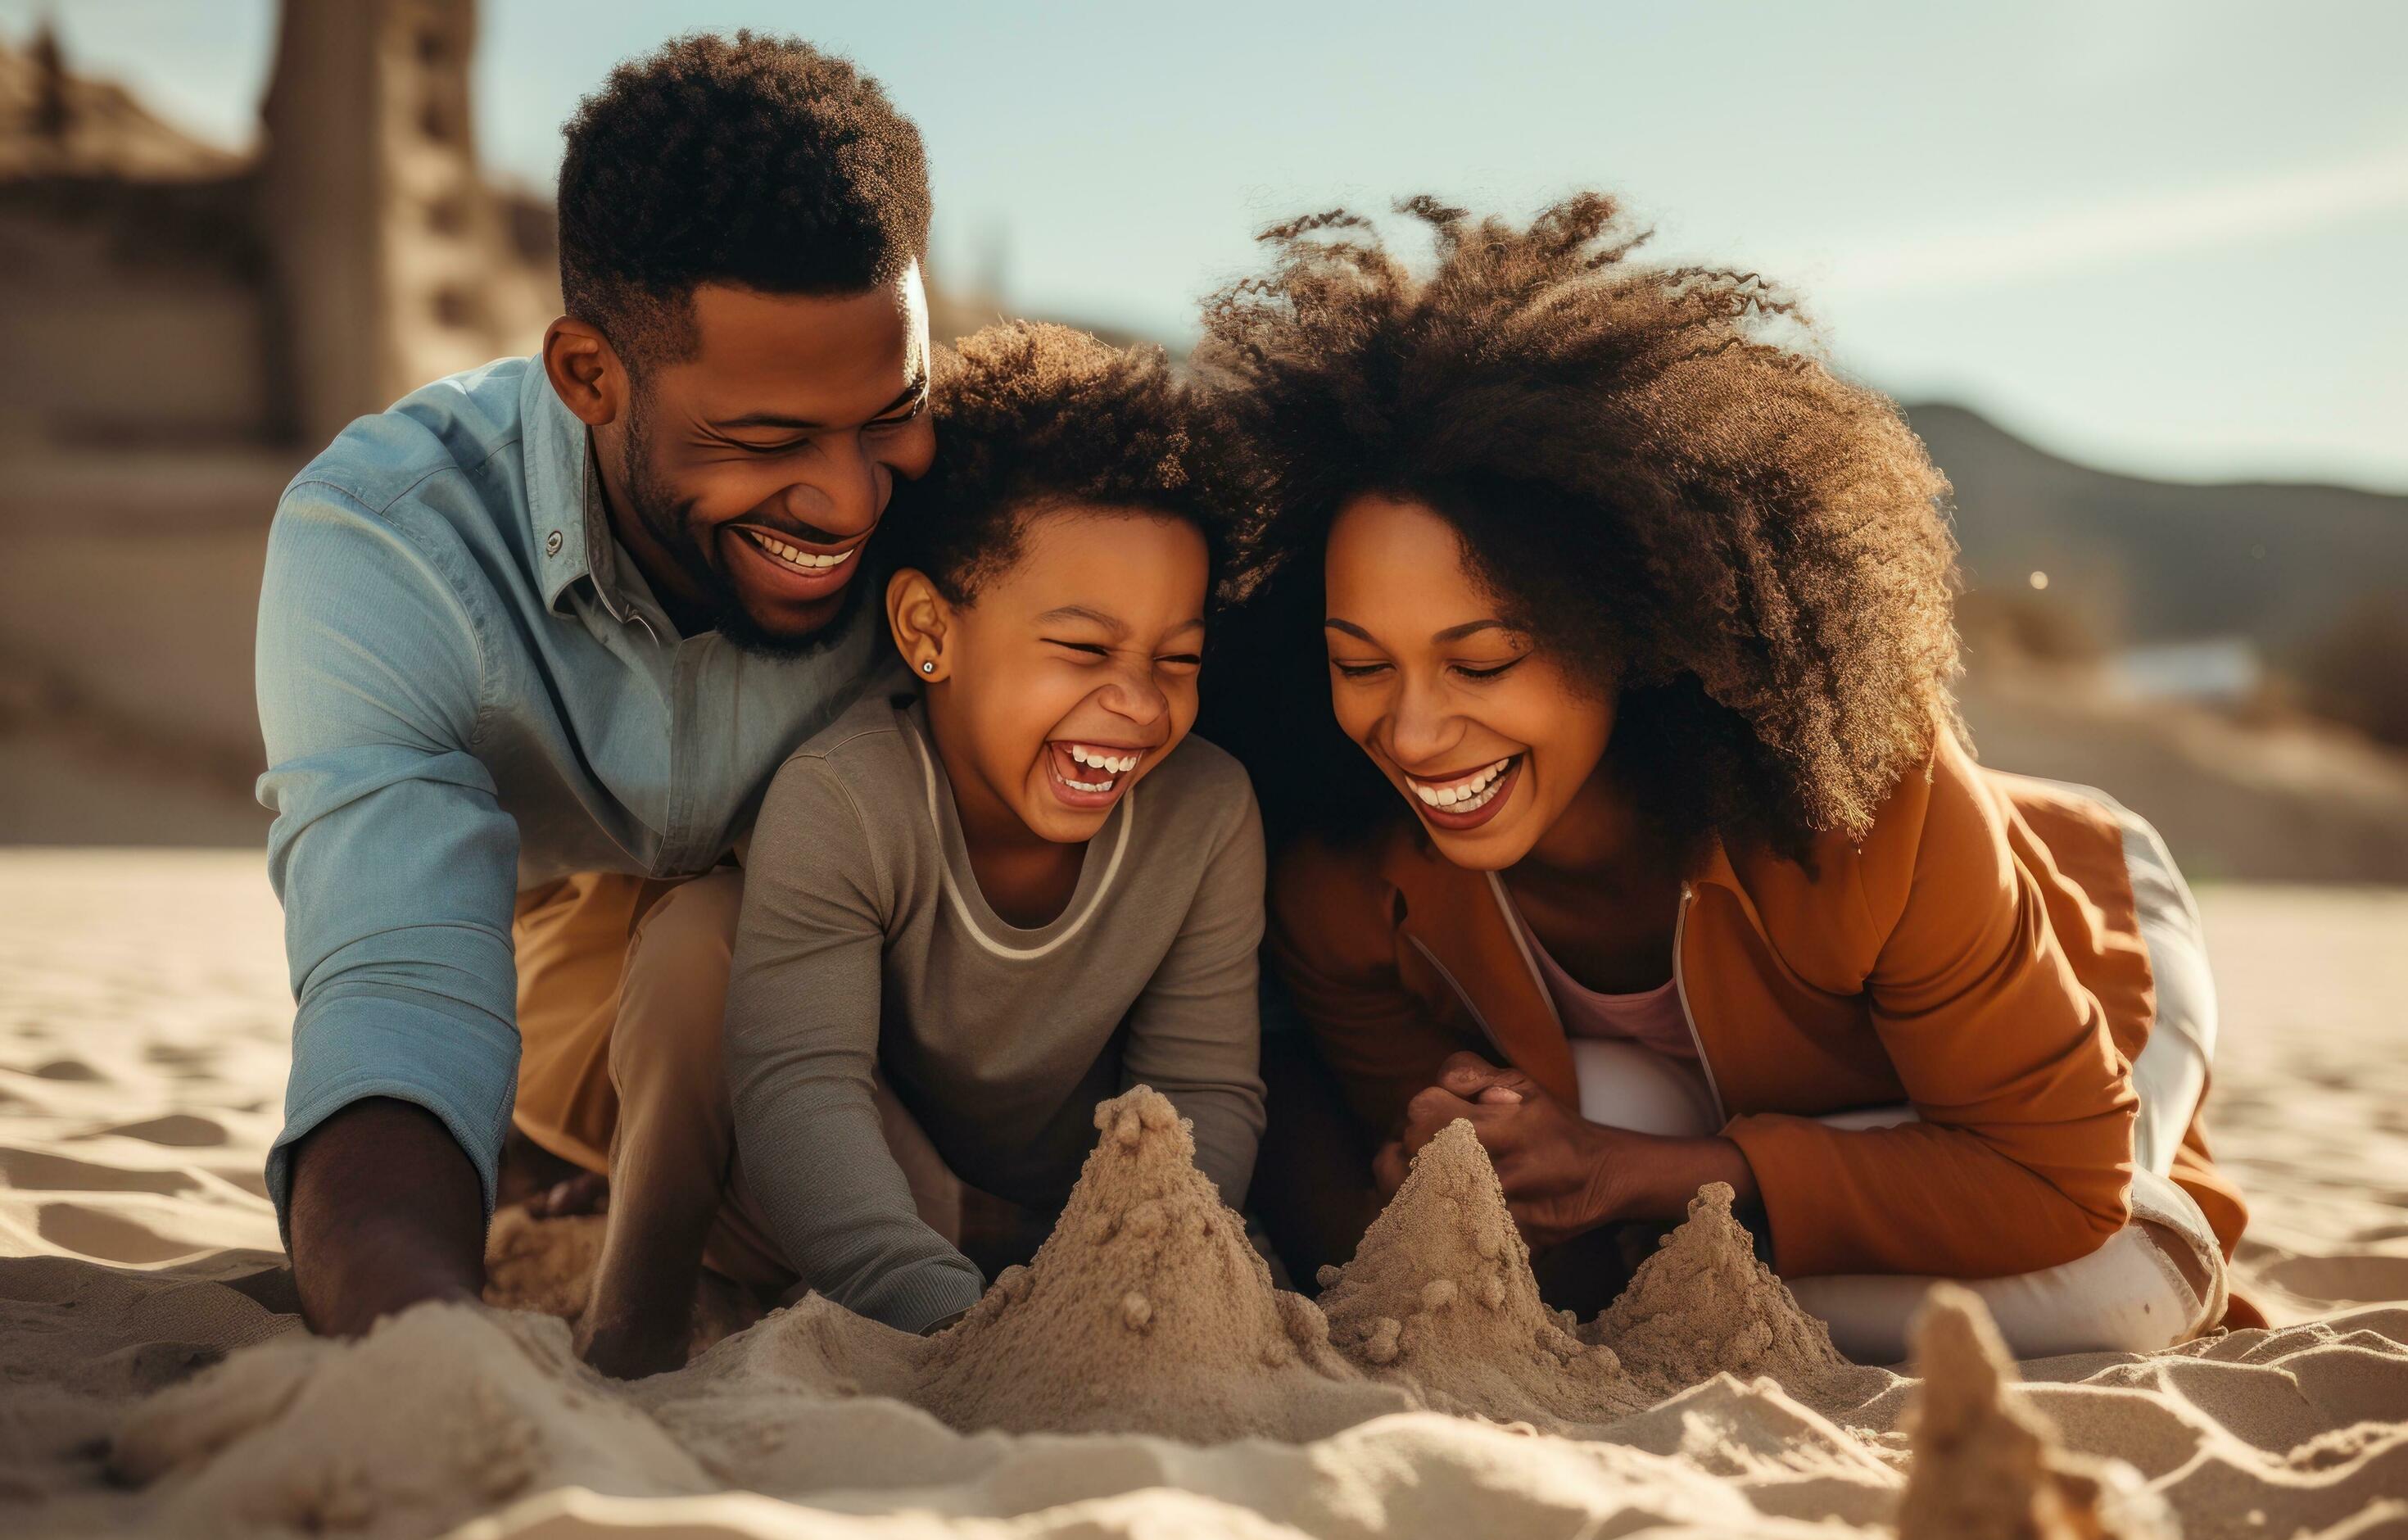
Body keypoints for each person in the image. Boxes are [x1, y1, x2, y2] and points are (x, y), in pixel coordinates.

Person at [1198, 196, 2252, 1360]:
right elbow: (1432, 1199)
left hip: (2091, 925)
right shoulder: (1346, 888)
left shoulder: (1875, 799)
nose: (1413, 729)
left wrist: (1645, 1175)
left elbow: (2052, 1179)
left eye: (1484, 659)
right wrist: (1447, 1156)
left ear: (1634, 622)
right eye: (1360, 664)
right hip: (1731, 1105)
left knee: (2126, 1282)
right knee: (1604, 1141)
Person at [255, 33, 936, 1374]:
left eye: (890, 413)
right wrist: (427, 1359)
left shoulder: (979, 490)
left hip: (870, 1000)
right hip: (569, 981)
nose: (854, 499)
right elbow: (396, 996)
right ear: (587, 377)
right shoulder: (393, 543)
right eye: (769, 440)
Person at [692, 321, 1267, 1335]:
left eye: (1177, 660)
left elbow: (1202, 1095)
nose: (1139, 702)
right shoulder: (845, 800)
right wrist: (949, 1321)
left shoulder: (1205, 814)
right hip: (867, 1209)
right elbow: (801, 1092)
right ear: (928, 632)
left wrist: (1151, 1280)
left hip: (1077, 1229)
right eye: (1084, 648)